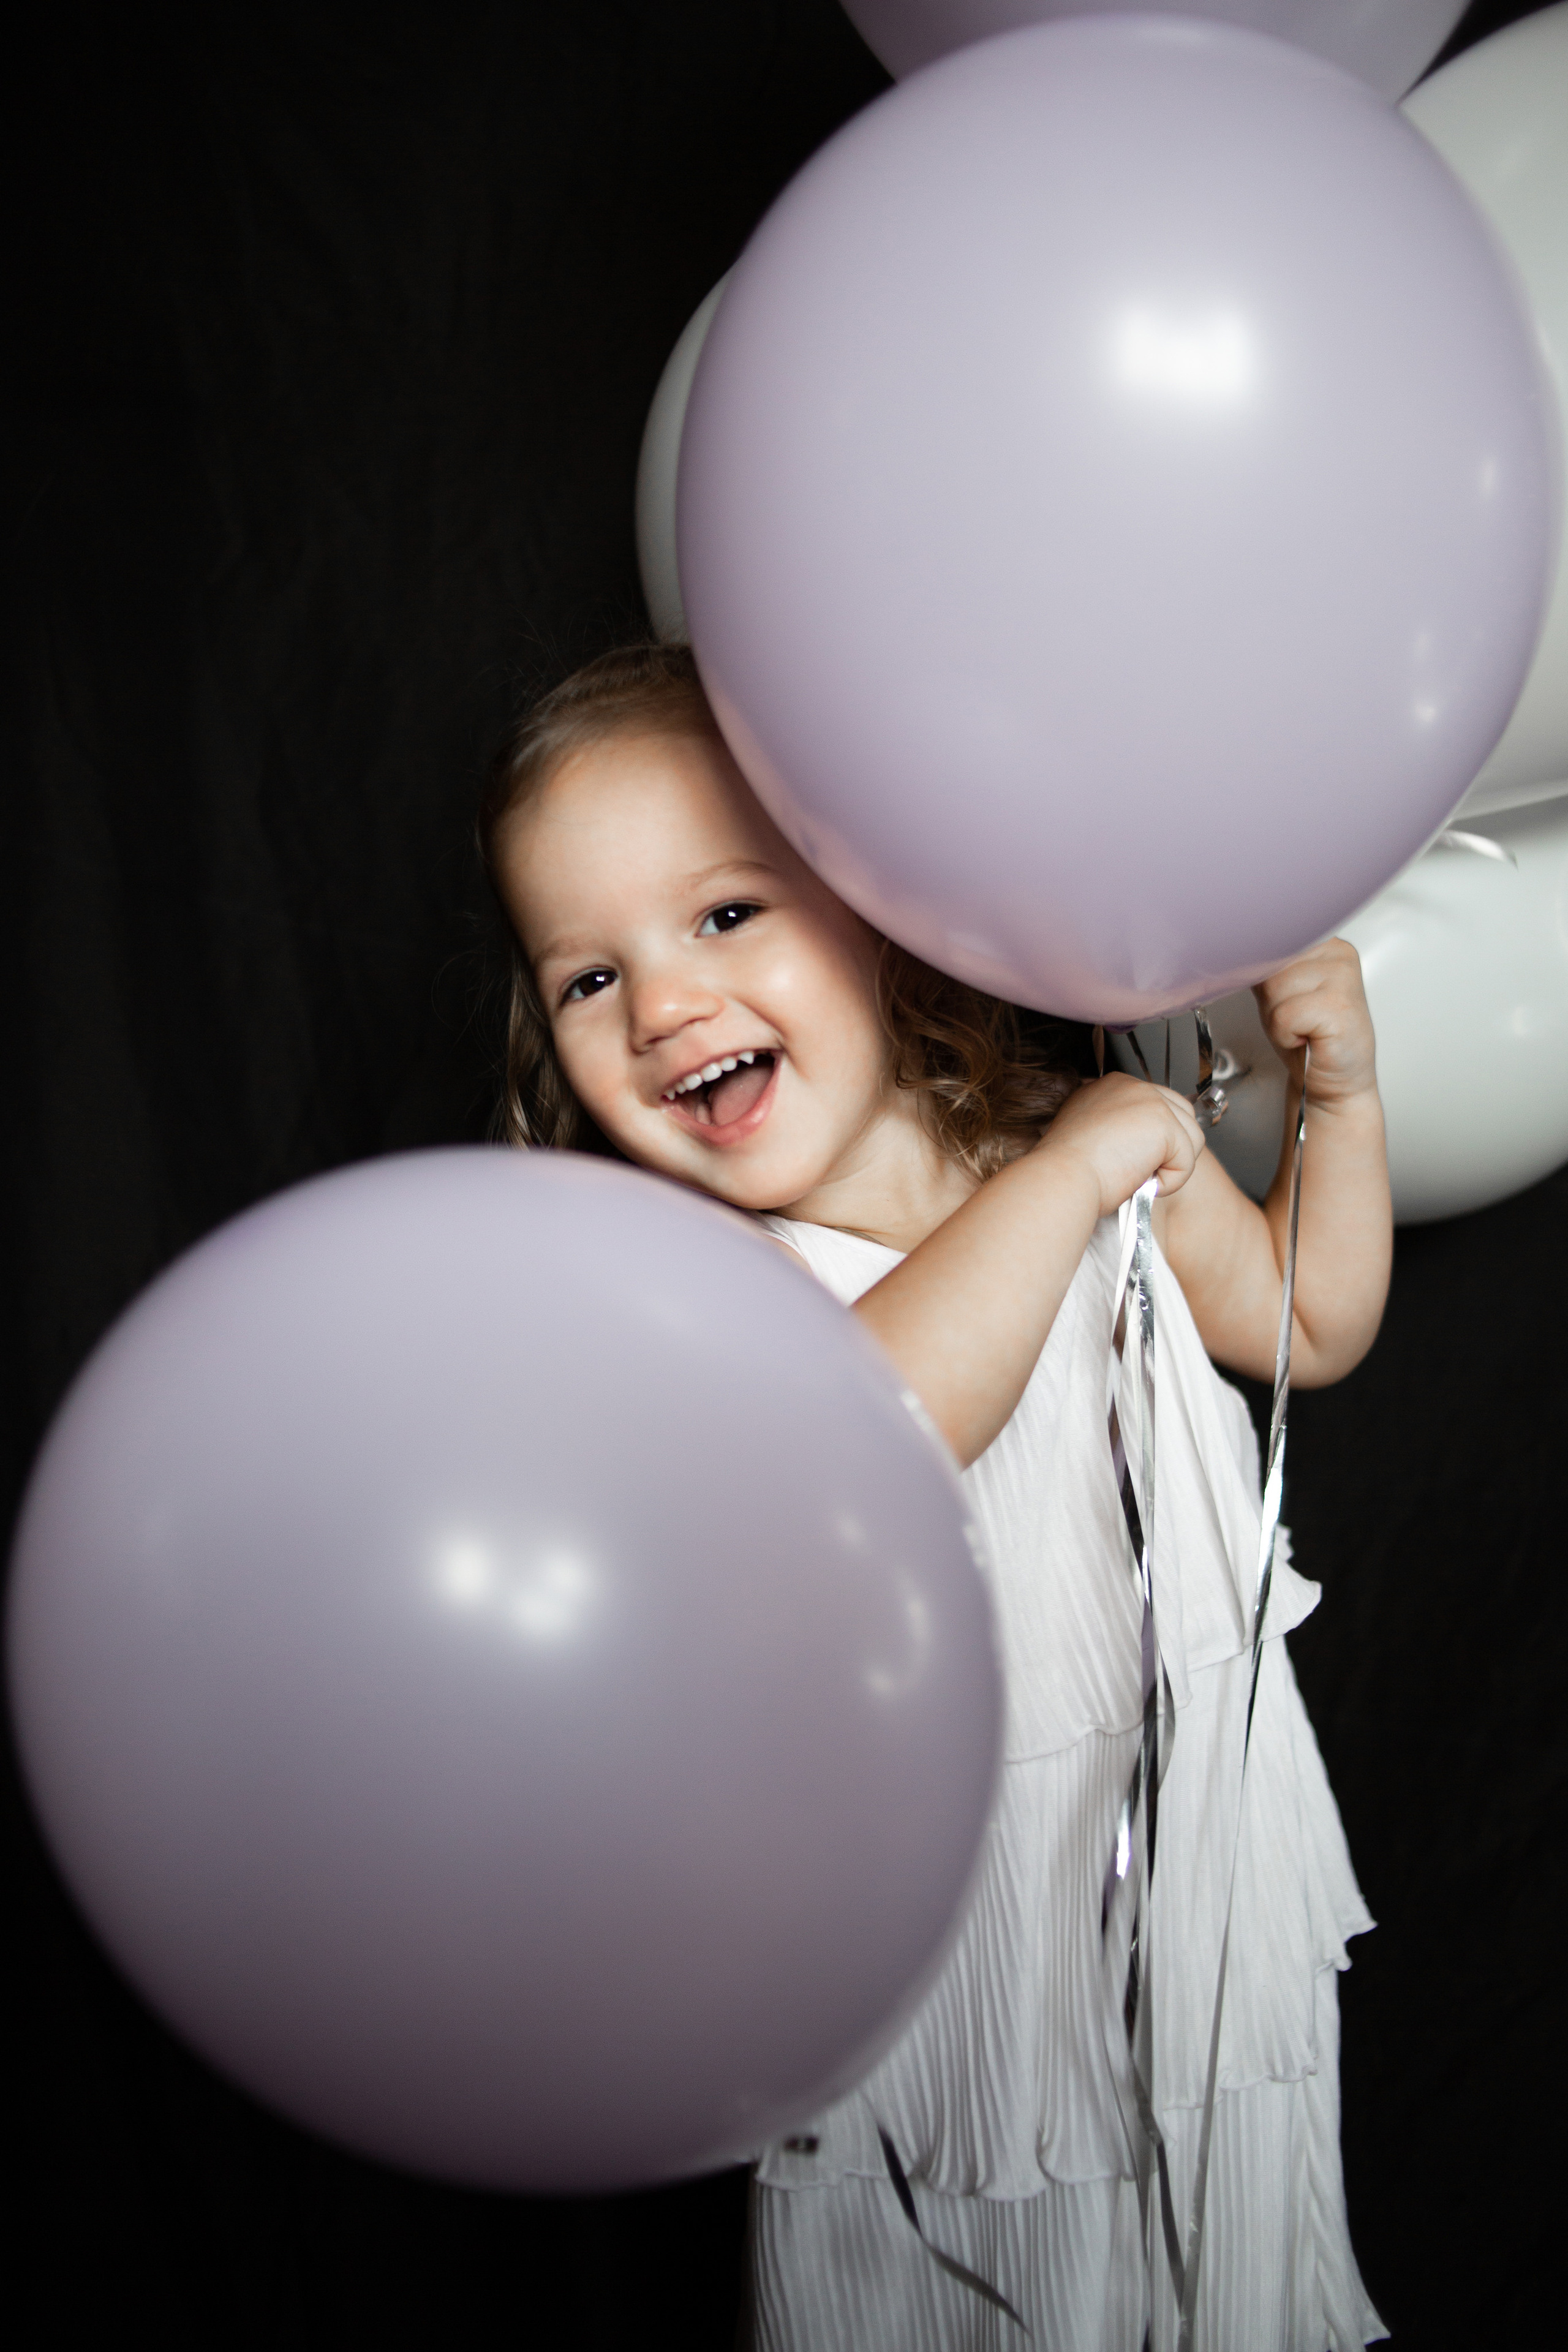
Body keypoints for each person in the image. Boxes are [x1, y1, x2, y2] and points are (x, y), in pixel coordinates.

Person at [478, 641, 1391, 2352]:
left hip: (1193, 1903)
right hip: (959, 1977)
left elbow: (1308, 1320)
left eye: (726, 915)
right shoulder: (692, 1295)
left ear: (875, 896)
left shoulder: (1072, 1139)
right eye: (589, 977)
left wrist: (1336, 1099)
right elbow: (876, 1428)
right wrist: (1072, 1174)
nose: (666, 1001)